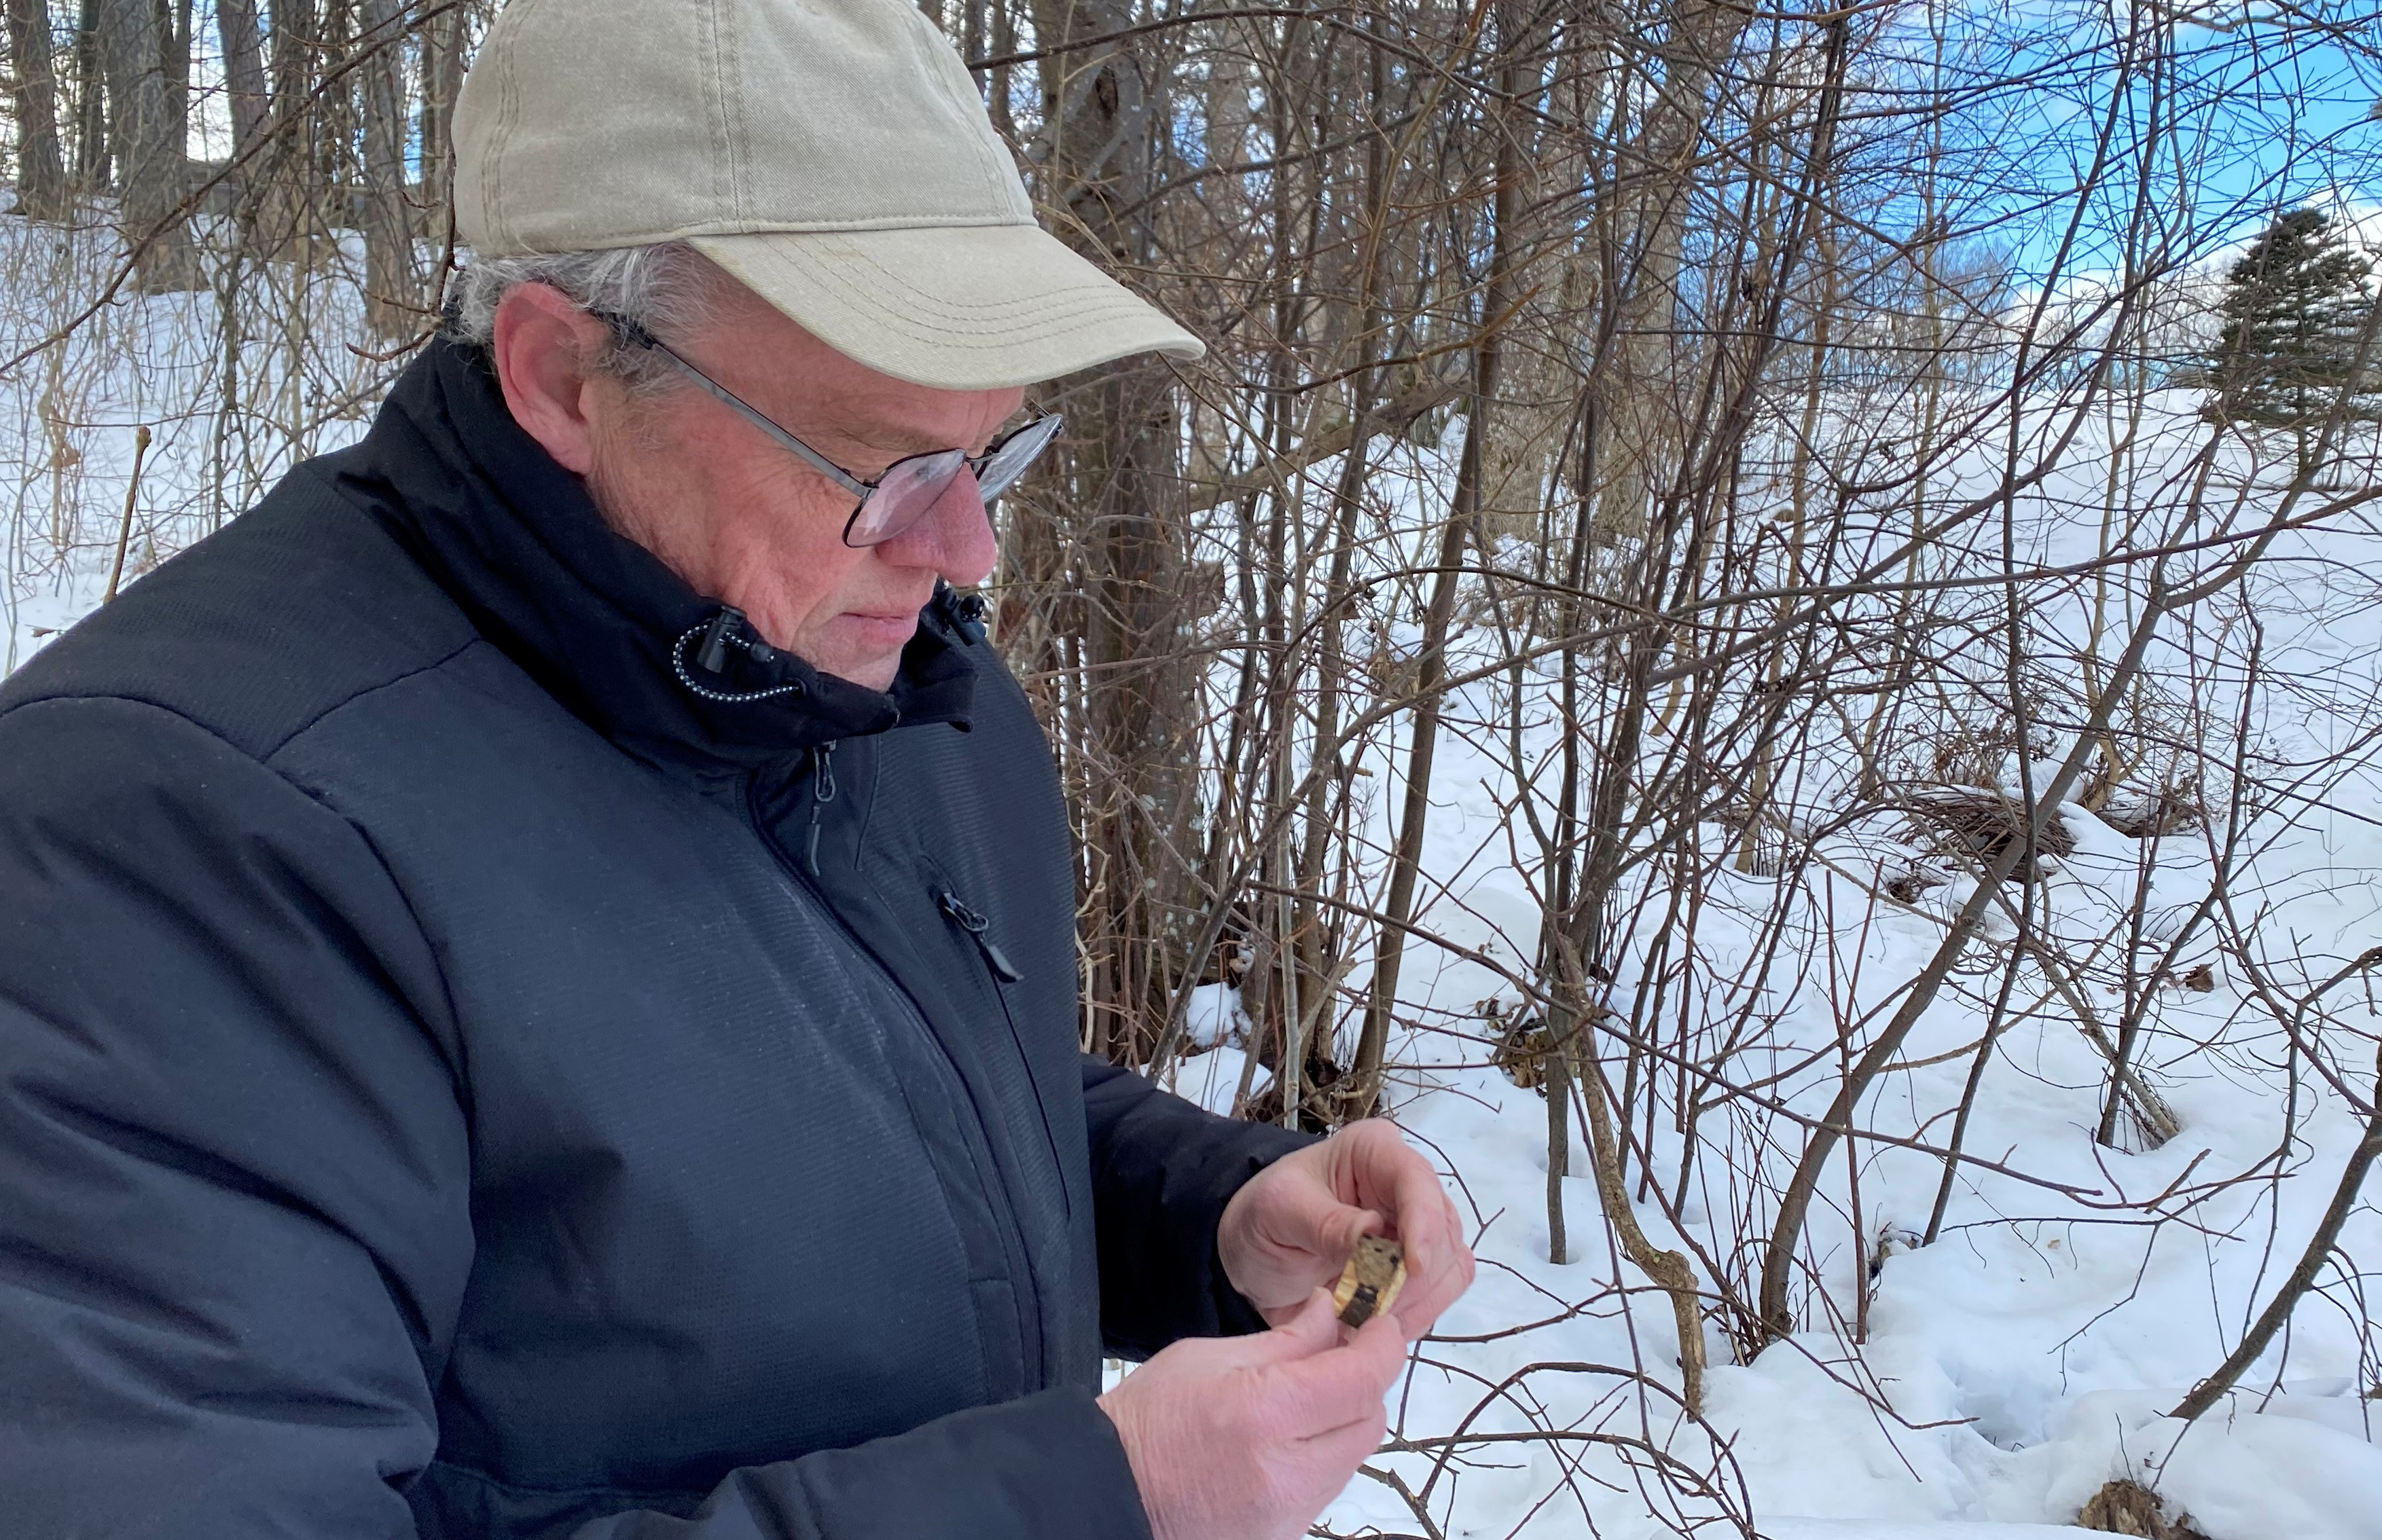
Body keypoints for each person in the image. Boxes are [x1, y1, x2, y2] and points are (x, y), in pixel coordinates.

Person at [0, 1, 1475, 1536]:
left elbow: (864, 1097)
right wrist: (1084, 1503)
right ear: (565, 378)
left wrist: (1205, 1218)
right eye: (883, 464)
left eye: (992, 457)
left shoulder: (866, 673)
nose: (963, 548)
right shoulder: (172, 841)